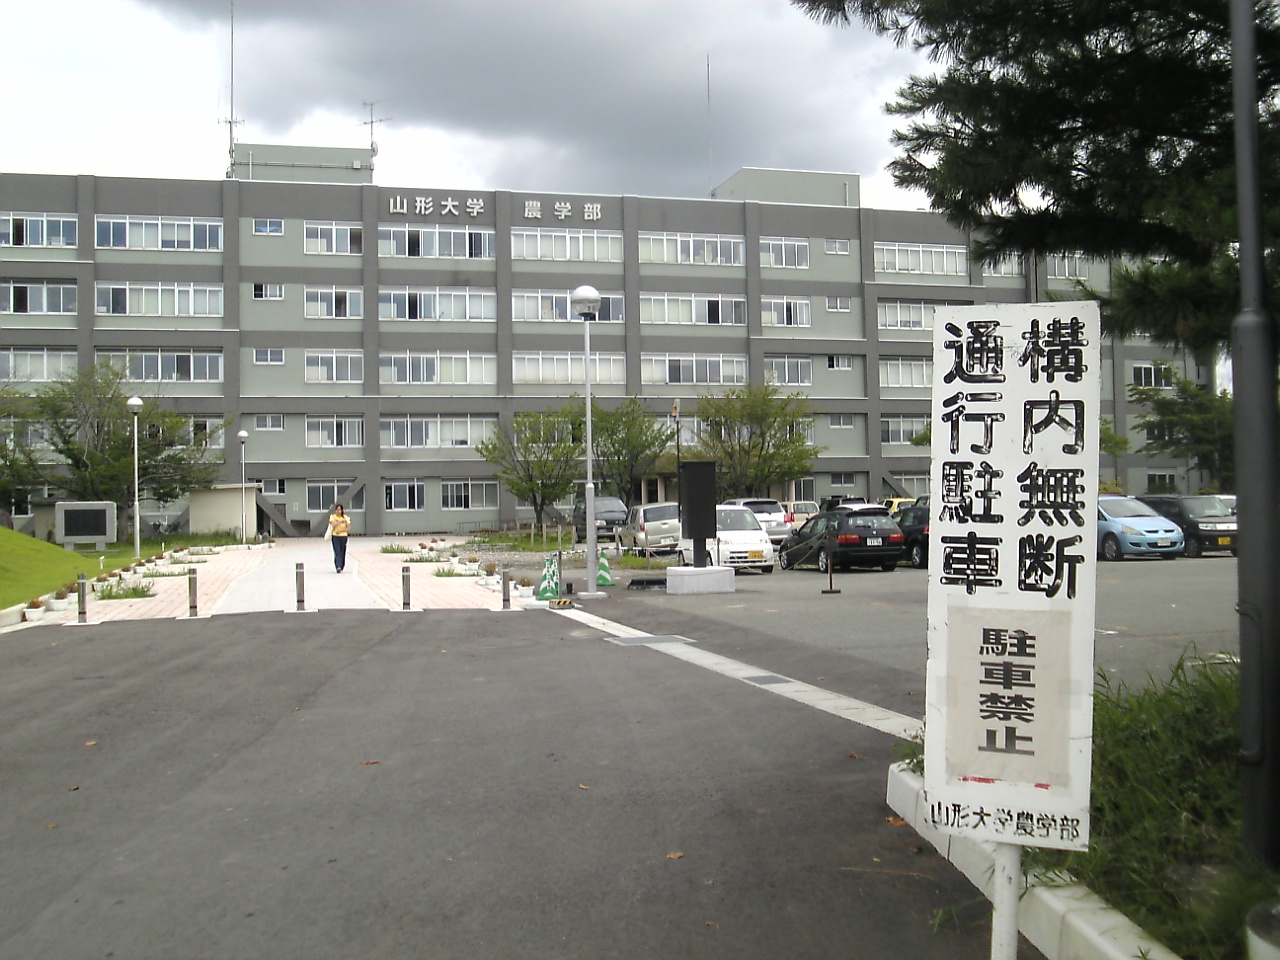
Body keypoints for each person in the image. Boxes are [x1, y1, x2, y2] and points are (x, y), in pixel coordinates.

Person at [327, 504, 351, 573]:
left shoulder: (346, 517)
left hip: (343, 536)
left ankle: (342, 565)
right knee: (337, 551)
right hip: (335, 537)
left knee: (342, 552)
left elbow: (348, 527)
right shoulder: (332, 517)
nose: (338, 511)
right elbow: (333, 524)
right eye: (337, 509)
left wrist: (341, 530)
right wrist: (340, 521)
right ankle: (338, 566)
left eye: (340, 509)